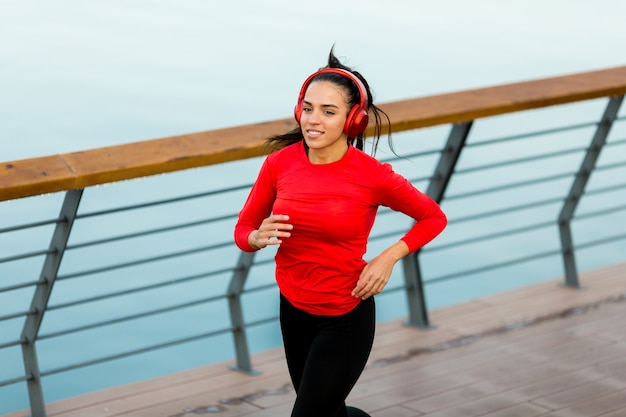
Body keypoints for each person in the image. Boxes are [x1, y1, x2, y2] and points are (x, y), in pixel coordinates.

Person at [234, 47, 447, 417]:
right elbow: (244, 229)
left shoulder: (372, 176)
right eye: (308, 107)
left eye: (329, 112)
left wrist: (388, 257)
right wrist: (255, 237)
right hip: (292, 310)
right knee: (328, 413)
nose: (312, 120)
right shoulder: (278, 164)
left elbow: (433, 218)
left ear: (354, 120)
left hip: (344, 316)